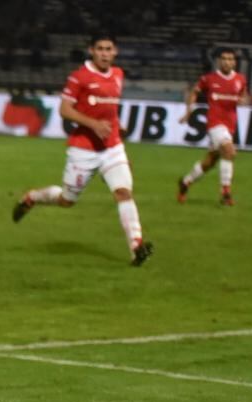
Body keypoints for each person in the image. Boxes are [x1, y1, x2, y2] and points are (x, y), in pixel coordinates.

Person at [12, 34, 154, 267]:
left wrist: (116, 125)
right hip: (84, 150)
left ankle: (136, 246)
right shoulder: (79, 77)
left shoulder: (118, 75)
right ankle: (33, 197)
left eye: (109, 49)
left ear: (115, 51)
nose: (105, 53)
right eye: (100, 49)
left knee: (123, 193)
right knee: (67, 200)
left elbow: (109, 108)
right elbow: (65, 110)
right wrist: (94, 124)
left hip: (112, 147)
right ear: (92, 51)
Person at [177, 48, 249, 207]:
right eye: (224, 59)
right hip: (215, 123)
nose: (227, 62)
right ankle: (225, 192)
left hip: (230, 124)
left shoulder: (240, 79)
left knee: (210, 162)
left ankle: (185, 182)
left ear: (234, 62)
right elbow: (194, 92)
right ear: (219, 61)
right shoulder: (209, 79)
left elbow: (244, 95)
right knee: (229, 151)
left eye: (230, 59)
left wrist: (243, 99)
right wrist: (188, 112)